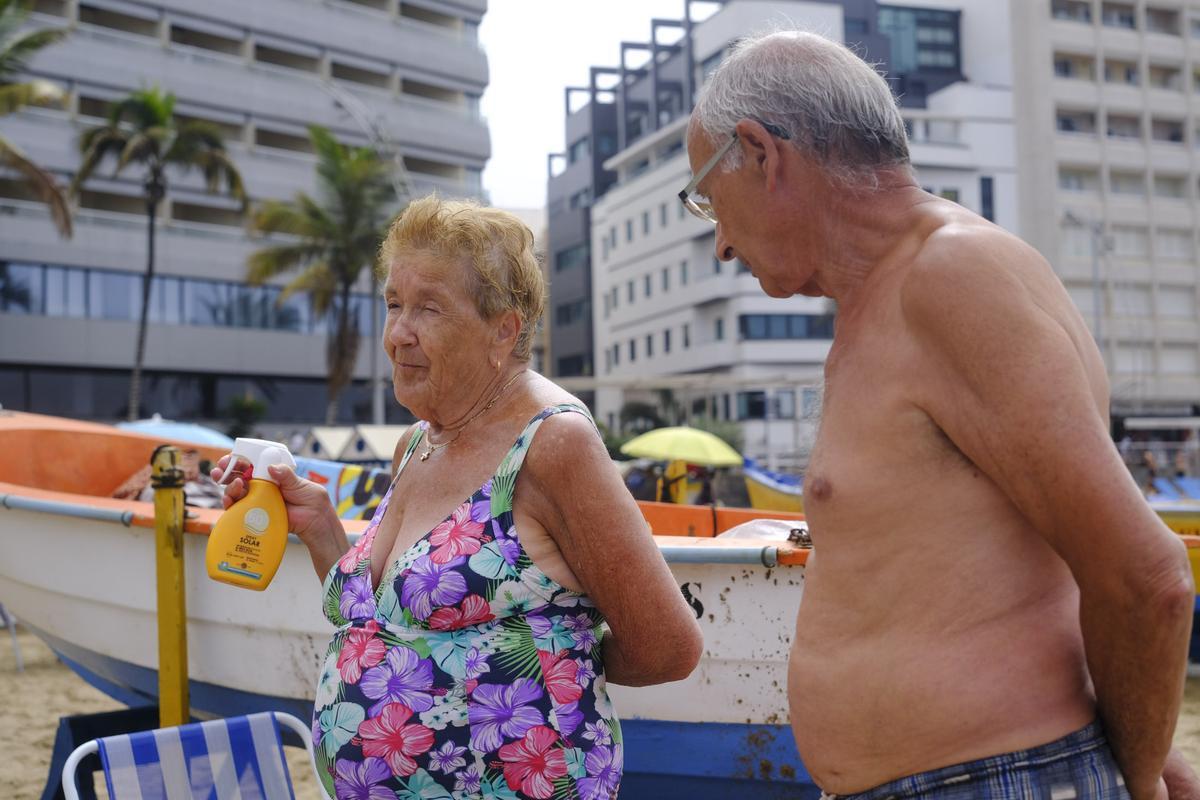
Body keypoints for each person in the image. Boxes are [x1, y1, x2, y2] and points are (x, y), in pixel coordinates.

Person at [682, 30, 1197, 800]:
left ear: (760, 153)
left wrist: (1142, 776)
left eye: (708, 200)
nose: (722, 243)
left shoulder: (949, 278)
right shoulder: (894, 292)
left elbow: (1144, 575)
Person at [215, 197, 702, 800]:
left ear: (503, 328)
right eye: (394, 304)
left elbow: (667, 646)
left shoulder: (553, 445)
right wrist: (318, 527)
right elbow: (380, 622)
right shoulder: (418, 443)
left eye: (430, 309)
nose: (397, 335)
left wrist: (553, 666)